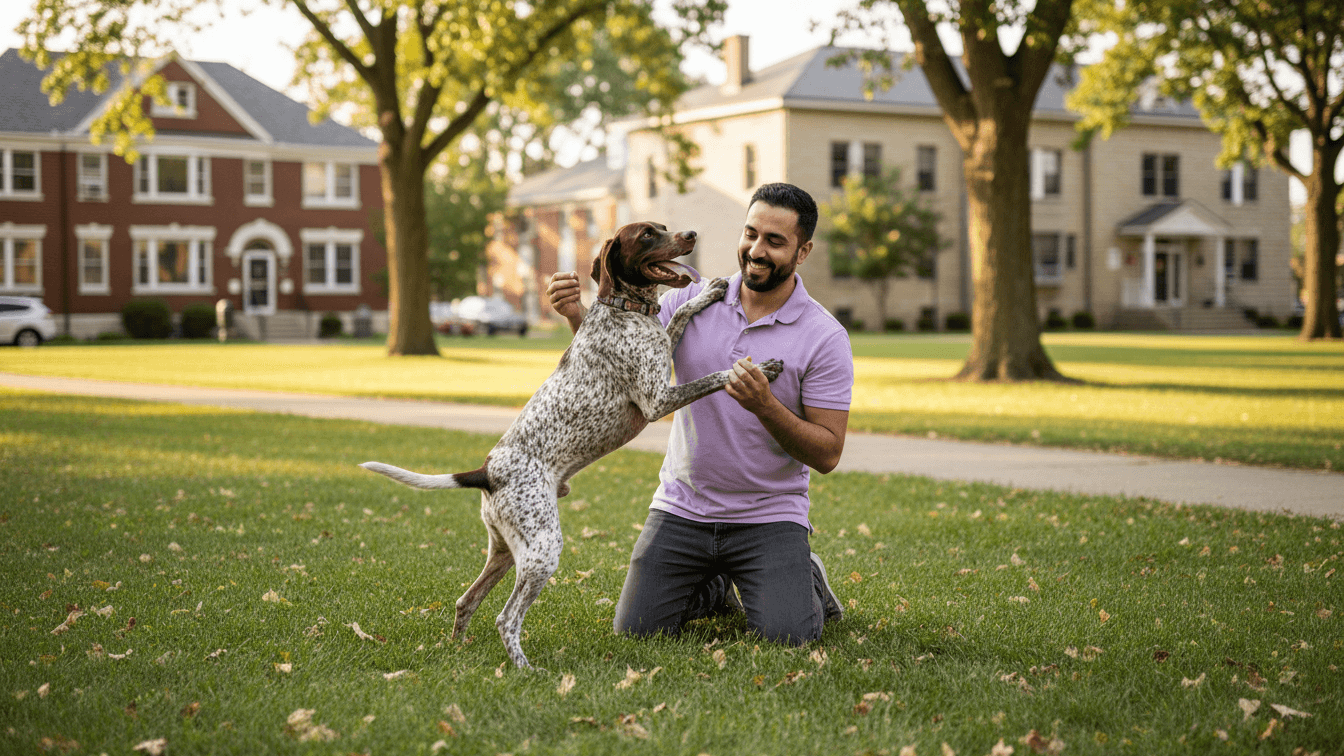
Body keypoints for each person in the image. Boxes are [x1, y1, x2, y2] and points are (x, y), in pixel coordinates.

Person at [545, 183, 854, 645]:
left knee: (786, 637)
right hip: (682, 507)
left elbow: (828, 453)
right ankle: (714, 586)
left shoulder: (824, 336)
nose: (756, 250)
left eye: (775, 241)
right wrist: (575, 314)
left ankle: (803, 578)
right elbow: (615, 368)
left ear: (803, 251)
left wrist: (766, 407)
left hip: (768, 514)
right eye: (751, 234)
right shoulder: (688, 301)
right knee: (636, 631)